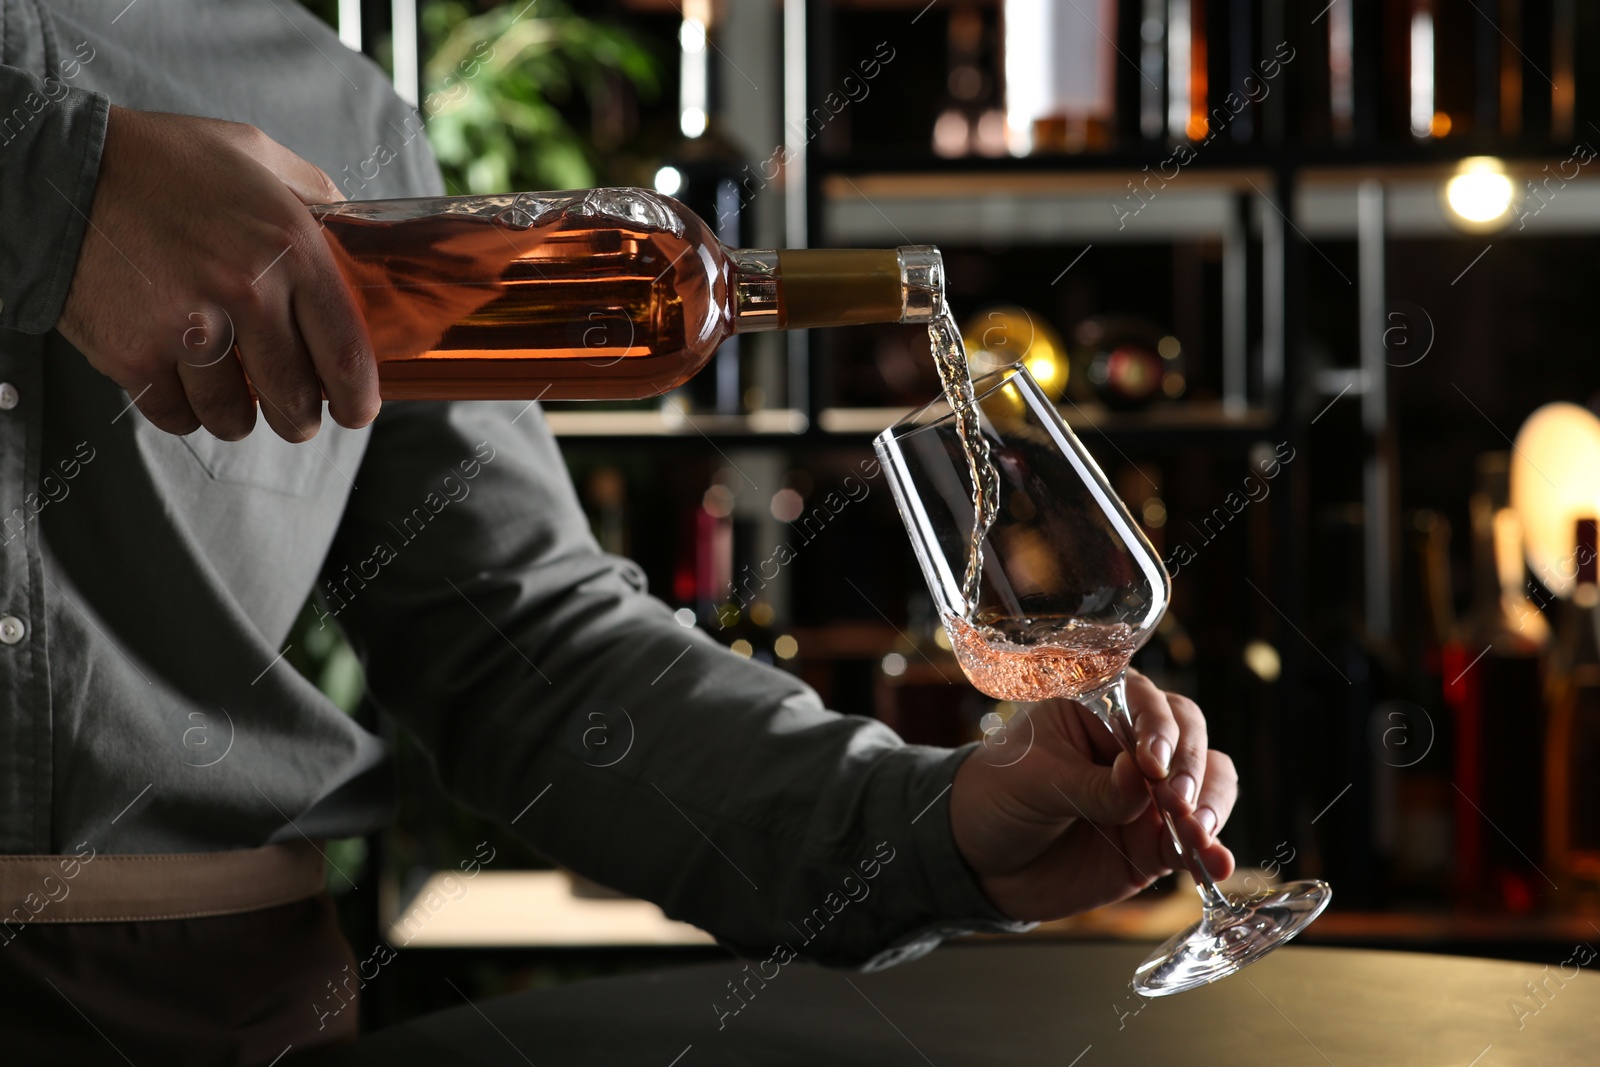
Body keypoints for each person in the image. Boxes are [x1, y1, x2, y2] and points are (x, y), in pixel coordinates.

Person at [0, 1, 1237, 1063]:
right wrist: (60, 182)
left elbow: (529, 647)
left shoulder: (328, 106)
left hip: (226, 1012)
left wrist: (936, 826)